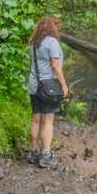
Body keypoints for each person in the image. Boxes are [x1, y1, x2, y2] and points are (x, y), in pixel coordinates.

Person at [27, 14, 69, 168]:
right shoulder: (52, 42)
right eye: (56, 26)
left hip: (34, 85)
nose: (57, 29)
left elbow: (32, 65)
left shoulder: (34, 43)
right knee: (48, 121)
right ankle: (46, 156)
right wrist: (64, 85)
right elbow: (55, 65)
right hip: (48, 86)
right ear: (52, 27)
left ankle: (35, 152)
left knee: (36, 119)